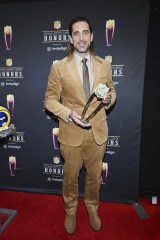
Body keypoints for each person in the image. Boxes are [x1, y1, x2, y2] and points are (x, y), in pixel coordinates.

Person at [44, 16, 116, 234]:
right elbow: (49, 100)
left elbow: (111, 90)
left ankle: (92, 207)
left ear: (92, 36)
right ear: (70, 38)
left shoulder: (104, 64)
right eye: (76, 33)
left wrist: (109, 99)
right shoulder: (59, 66)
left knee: (94, 177)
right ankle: (71, 209)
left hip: (97, 132)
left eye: (85, 32)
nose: (81, 37)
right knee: (70, 177)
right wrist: (68, 114)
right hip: (71, 133)